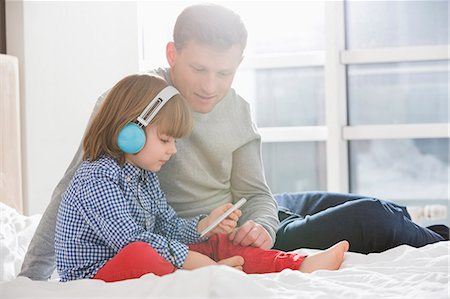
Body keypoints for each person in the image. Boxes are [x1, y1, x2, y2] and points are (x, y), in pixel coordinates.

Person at [20, 3, 447, 281]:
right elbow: (71, 189)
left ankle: (432, 234)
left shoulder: (236, 108)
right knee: (372, 217)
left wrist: (261, 224)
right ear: (172, 54)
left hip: (247, 214)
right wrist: (31, 277)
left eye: (224, 73)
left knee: (385, 208)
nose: (210, 87)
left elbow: (255, 193)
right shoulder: (135, 107)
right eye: (199, 69)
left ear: (239, 63)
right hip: (213, 236)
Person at [54, 73, 349, 282]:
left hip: (144, 255)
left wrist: (205, 226)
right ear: (131, 132)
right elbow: (131, 241)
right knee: (142, 254)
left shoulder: (144, 176)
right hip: (96, 275)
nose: (172, 151)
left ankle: (299, 265)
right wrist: (193, 261)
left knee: (217, 241)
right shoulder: (97, 178)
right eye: (166, 140)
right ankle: (207, 276)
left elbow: (166, 225)